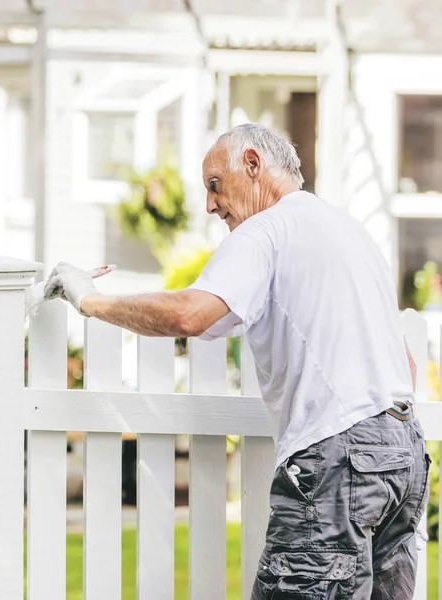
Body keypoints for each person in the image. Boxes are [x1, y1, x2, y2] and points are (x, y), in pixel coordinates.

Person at [43, 123, 429, 599]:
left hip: (338, 457)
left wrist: (90, 301)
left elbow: (191, 314)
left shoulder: (266, 229)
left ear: (252, 164)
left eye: (214, 185)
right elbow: (404, 366)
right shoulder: (350, 232)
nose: (210, 205)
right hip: (404, 455)